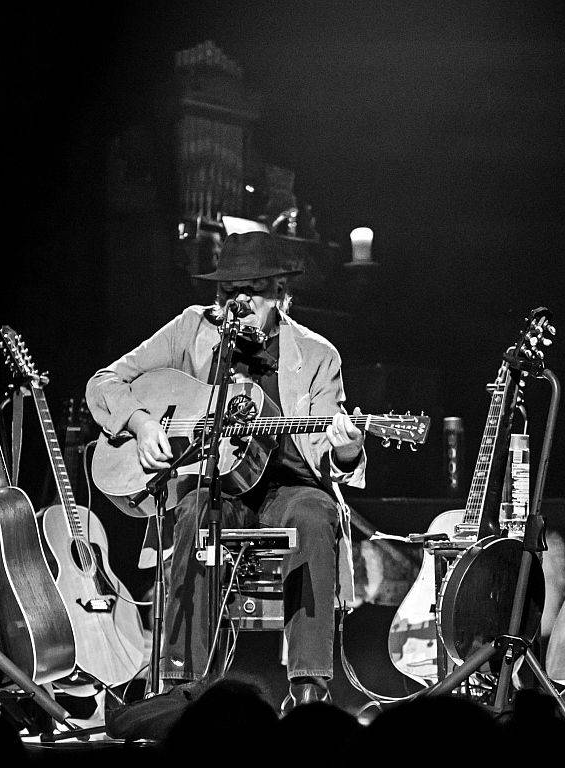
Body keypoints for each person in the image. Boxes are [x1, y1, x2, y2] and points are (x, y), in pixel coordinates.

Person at [86, 230, 366, 710]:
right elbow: (104, 381)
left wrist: (346, 449)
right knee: (196, 513)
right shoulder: (191, 329)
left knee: (317, 515)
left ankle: (307, 692)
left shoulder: (318, 355)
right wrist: (142, 420)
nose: (237, 301)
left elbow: (328, 452)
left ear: (282, 294)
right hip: (215, 484)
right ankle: (182, 688)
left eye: (252, 289)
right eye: (226, 291)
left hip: (289, 489)